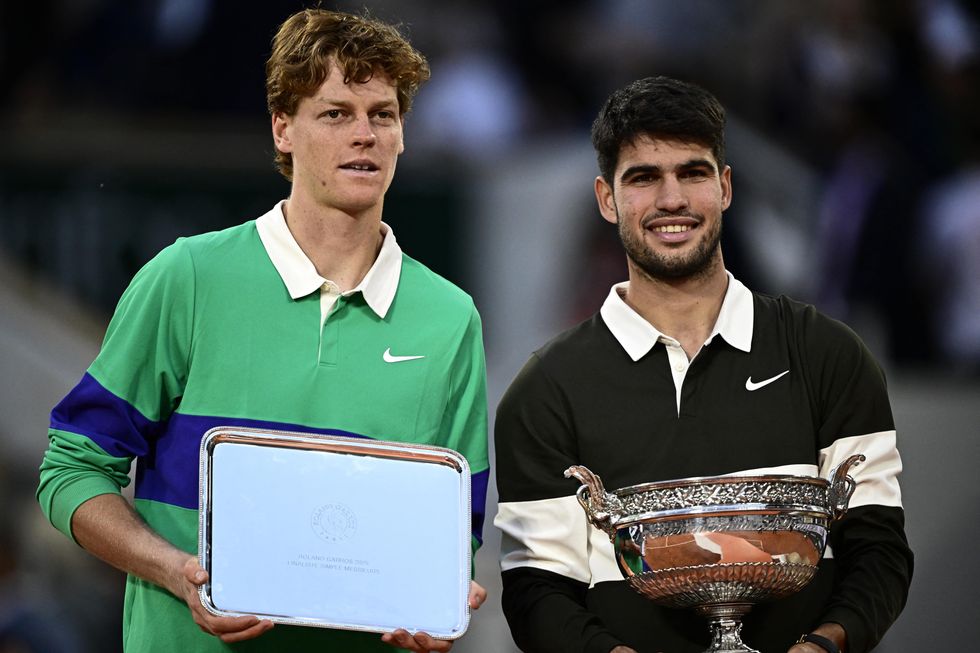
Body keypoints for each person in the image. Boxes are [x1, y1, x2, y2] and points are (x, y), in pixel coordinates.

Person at [37, 9, 489, 653]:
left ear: (402, 135)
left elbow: (454, 530)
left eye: (382, 114)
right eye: (336, 114)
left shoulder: (451, 317)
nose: (364, 134)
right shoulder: (187, 278)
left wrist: (442, 596)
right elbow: (71, 470)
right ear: (283, 129)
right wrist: (176, 571)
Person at [493, 76, 912, 653]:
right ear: (606, 198)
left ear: (726, 187)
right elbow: (538, 592)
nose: (672, 201)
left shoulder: (826, 354)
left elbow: (880, 551)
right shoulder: (546, 391)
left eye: (692, 173)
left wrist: (822, 647)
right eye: (643, 177)